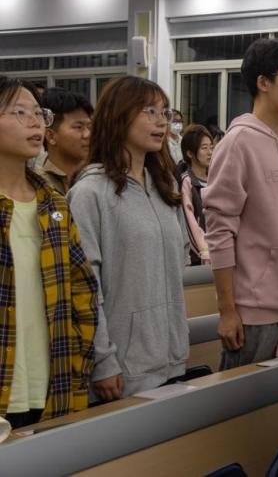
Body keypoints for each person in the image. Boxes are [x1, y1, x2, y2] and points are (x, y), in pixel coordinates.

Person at [68, 76, 189, 400]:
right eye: (150, 111)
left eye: (165, 112)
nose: (161, 121)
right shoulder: (90, 193)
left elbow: (180, 259)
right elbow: (85, 285)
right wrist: (104, 360)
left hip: (171, 357)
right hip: (121, 369)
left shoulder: (166, 187)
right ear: (119, 116)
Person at [203, 38, 278, 369]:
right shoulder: (237, 143)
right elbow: (220, 231)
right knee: (242, 400)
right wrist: (227, 310)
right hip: (254, 311)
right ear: (263, 82)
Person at [0, 77, 98, 428]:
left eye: (38, 113)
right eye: (20, 112)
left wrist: (78, 365)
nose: (35, 122)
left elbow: (82, 290)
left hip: (52, 387)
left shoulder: (53, 204)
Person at [37, 87, 93, 195]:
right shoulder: (36, 185)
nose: (88, 134)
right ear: (51, 136)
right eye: (78, 127)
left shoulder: (100, 178)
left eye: (90, 127)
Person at [180, 124, 214, 266]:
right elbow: (190, 222)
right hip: (200, 258)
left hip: (220, 252)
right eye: (204, 148)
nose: (210, 152)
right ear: (190, 153)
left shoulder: (216, 178)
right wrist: (205, 252)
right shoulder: (186, 182)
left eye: (211, 147)